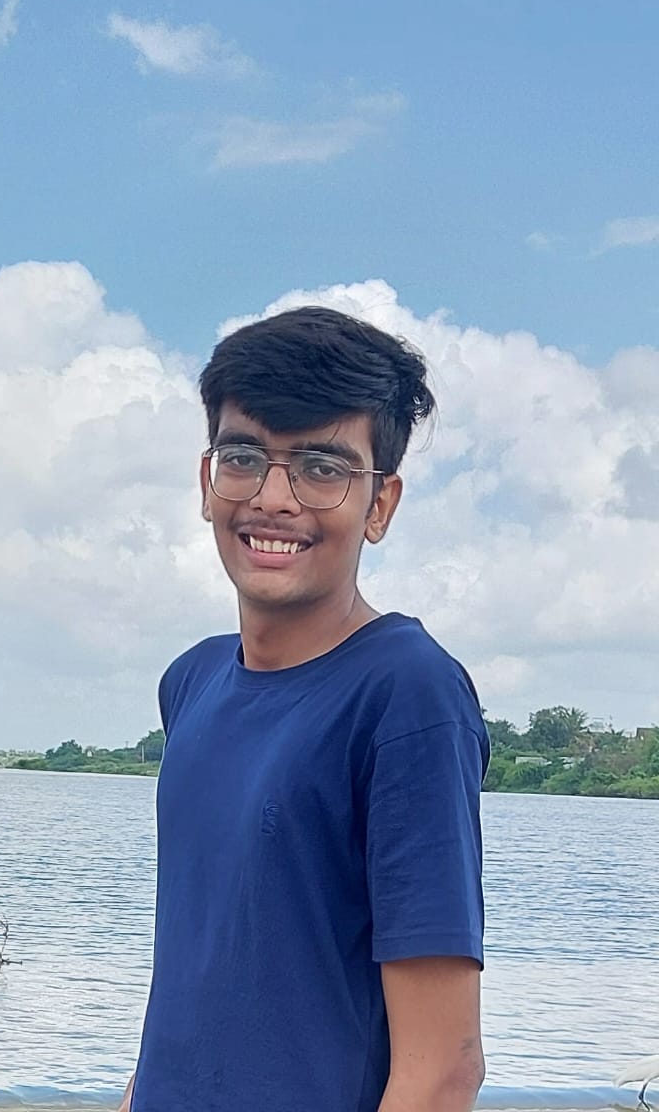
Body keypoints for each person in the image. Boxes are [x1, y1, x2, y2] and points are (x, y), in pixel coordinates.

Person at [118, 307, 490, 1112]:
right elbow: (191, 997)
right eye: (243, 458)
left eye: (322, 467)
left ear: (380, 505)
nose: (273, 498)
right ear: (207, 481)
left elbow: (443, 1069)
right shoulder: (193, 683)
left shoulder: (407, 694)